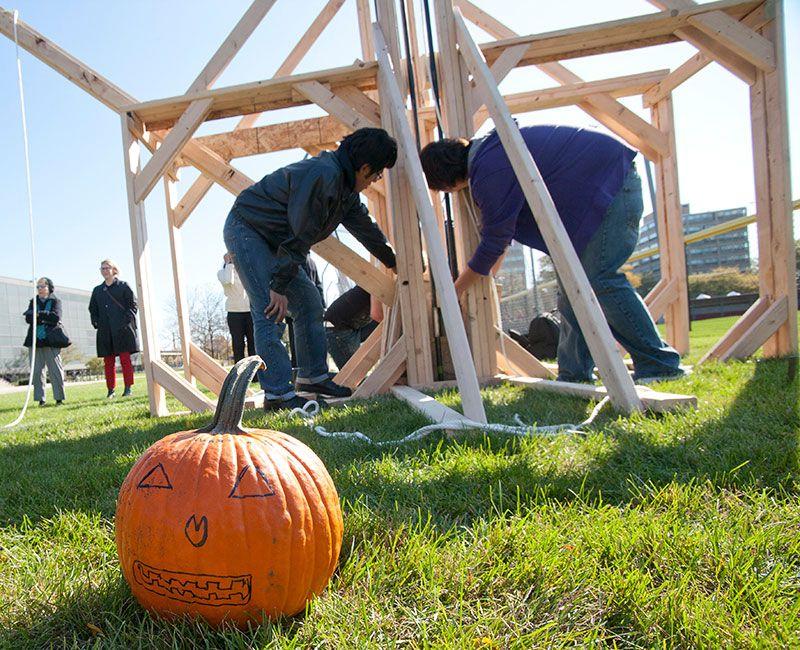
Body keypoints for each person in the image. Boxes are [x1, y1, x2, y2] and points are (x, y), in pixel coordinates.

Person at [420, 125, 683, 383]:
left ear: (447, 180)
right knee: (573, 289)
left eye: (445, 191)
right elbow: (498, 239)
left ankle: (658, 363)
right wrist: (483, 277)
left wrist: (457, 289)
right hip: (604, 188)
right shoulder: (492, 153)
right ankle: (573, 373)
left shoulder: (490, 170)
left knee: (599, 280)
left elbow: (494, 241)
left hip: (611, 188)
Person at [223, 127, 398, 410]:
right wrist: (277, 287)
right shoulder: (324, 176)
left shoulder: (345, 190)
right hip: (248, 229)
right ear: (365, 167)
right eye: (377, 175)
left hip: (276, 239)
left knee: (309, 303)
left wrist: (393, 261)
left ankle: (312, 377)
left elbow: (365, 229)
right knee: (270, 309)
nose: (374, 181)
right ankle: (278, 394)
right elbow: (301, 232)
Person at [89, 259, 139, 398]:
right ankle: (111, 390)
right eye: (102, 268)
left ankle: (128, 388)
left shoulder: (123, 286)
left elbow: (133, 305)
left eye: (107, 267)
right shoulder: (97, 290)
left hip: (122, 329)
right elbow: (92, 309)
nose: (105, 270)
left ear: (114, 270)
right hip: (105, 330)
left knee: (125, 359)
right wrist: (96, 322)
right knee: (108, 361)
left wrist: (126, 321)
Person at [22, 277, 66, 406]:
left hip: (51, 339)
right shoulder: (33, 302)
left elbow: (55, 317)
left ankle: (59, 398)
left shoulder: (55, 301)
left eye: (43, 286)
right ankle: (41, 399)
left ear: (49, 287)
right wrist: (44, 315)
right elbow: (28, 318)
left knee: (55, 370)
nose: (40, 289)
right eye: (38, 287)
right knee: (37, 371)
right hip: (35, 340)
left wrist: (38, 315)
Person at [325, 285, 379, 369]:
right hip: (337, 330)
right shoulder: (377, 283)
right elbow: (378, 315)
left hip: (352, 326)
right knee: (353, 375)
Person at [218, 253, 254, 363]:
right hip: (234, 313)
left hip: (250, 312)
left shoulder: (245, 271)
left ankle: (256, 375)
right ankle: (240, 376)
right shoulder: (222, 273)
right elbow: (229, 281)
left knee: (253, 344)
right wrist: (229, 264)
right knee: (238, 345)